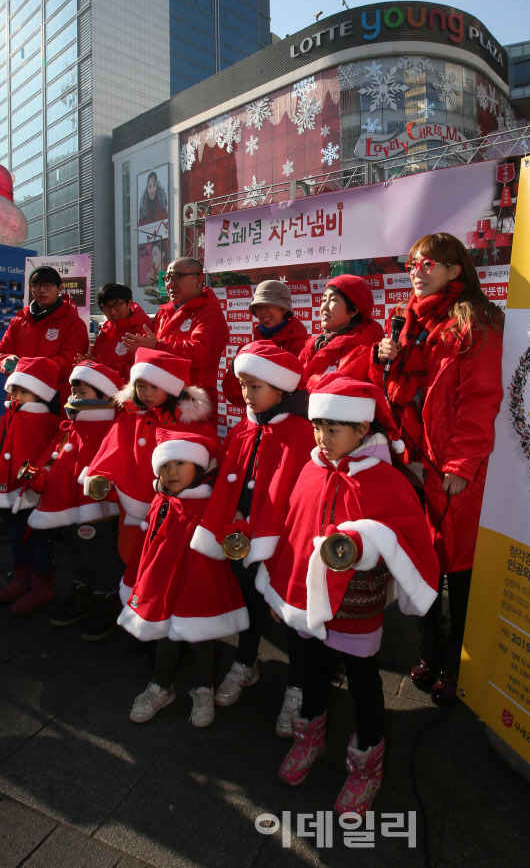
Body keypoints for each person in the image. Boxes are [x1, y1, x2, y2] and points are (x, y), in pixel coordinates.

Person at [258, 375, 440, 815]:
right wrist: (282, 595)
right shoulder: (311, 468)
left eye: (333, 428)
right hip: (311, 607)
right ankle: (311, 739)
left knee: (363, 684)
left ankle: (366, 765)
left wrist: (367, 539)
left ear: (362, 430)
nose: (322, 437)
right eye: (317, 426)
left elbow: (407, 537)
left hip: (357, 607)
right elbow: (295, 535)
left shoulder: (385, 480)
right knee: (313, 674)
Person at [372, 232, 504, 703]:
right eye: (412, 262)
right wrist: (382, 356)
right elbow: (394, 394)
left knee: (461, 569)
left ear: (455, 270)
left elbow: (479, 400)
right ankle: (431, 650)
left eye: (429, 262)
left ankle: (457, 660)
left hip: (453, 471)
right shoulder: (409, 322)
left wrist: (461, 464)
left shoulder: (475, 323)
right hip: (414, 464)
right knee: (428, 562)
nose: (417, 269)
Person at [189, 341, 315, 736]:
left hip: (286, 544)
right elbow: (234, 477)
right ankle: (247, 662)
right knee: (249, 603)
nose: (246, 393)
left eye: (255, 385)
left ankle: (299, 687)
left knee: (293, 616)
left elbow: (296, 491)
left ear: (281, 389)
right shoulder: (248, 425)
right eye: (243, 384)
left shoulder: (300, 432)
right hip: (242, 538)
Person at [119, 428, 248, 728]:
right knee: (164, 638)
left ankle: (204, 689)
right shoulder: (161, 502)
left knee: (201, 641)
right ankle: (161, 687)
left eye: (180, 464)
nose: (172, 472)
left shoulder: (211, 503)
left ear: (199, 467)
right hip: (163, 584)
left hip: (199, 584)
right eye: (165, 465)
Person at [85, 348, 215, 573]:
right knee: (133, 554)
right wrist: (103, 481)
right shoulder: (130, 418)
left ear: (170, 387)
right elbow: (112, 451)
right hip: (133, 504)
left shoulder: (187, 420)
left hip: (176, 505)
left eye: (155, 386)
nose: (146, 392)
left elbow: (208, 454)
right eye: (141, 385)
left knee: (170, 558)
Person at [27, 361, 125, 639]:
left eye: (83, 390)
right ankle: (82, 594)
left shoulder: (109, 426)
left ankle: (106, 600)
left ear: (105, 395)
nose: (76, 395)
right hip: (64, 503)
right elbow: (53, 454)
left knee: (99, 554)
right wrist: (42, 473)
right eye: (74, 390)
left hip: (95, 507)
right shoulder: (71, 423)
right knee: (73, 551)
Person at [123, 258, 228, 425]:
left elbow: (201, 353)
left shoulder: (210, 313)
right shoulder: (163, 313)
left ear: (199, 279)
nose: (170, 284)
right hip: (159, 402)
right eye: (167, 278)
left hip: (192, 405)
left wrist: (157, 346)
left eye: (177, 277)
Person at [0, 358, 61, 613]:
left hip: (30, 492)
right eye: (15, 390)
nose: (17, 396)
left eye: (24, 391)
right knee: (16, 537)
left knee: (38, 539)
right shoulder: (10, 416)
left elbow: (49, 455)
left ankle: (42, 585)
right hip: (8, 490)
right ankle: (23, 578)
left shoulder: (46, 421)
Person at [0, 266, 89, 411]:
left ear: (60, 288)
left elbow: (71, 362)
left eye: (48, 285)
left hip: (53, 400)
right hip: (18, 398)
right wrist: (5, 361)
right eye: (36, 286)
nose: (42, 290)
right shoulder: (18, 321)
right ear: (30, 288)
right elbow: (3, 353)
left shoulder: (73, 324)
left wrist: (26, 366)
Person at [222, 281, 308, 407]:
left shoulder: (301, 345)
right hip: (254, 419)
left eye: (267, 306)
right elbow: (231, 393)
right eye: (259, 307)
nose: (263, 312)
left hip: (287, 419)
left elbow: (300, 392)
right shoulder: (248, 349)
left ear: (283, 309)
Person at [299, 275, 383, 393]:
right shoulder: (314, 345)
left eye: (333, 300)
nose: (324, 307)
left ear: (353, 309)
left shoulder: (366, 350)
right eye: (323, 300)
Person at [75, 283, 152, 383]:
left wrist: (97, 365)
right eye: (106, 307)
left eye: (116, 305)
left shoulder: (142, 330)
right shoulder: (105, 330)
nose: (112, 312)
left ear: (129, 302)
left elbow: (136, 370)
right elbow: (94, 358)